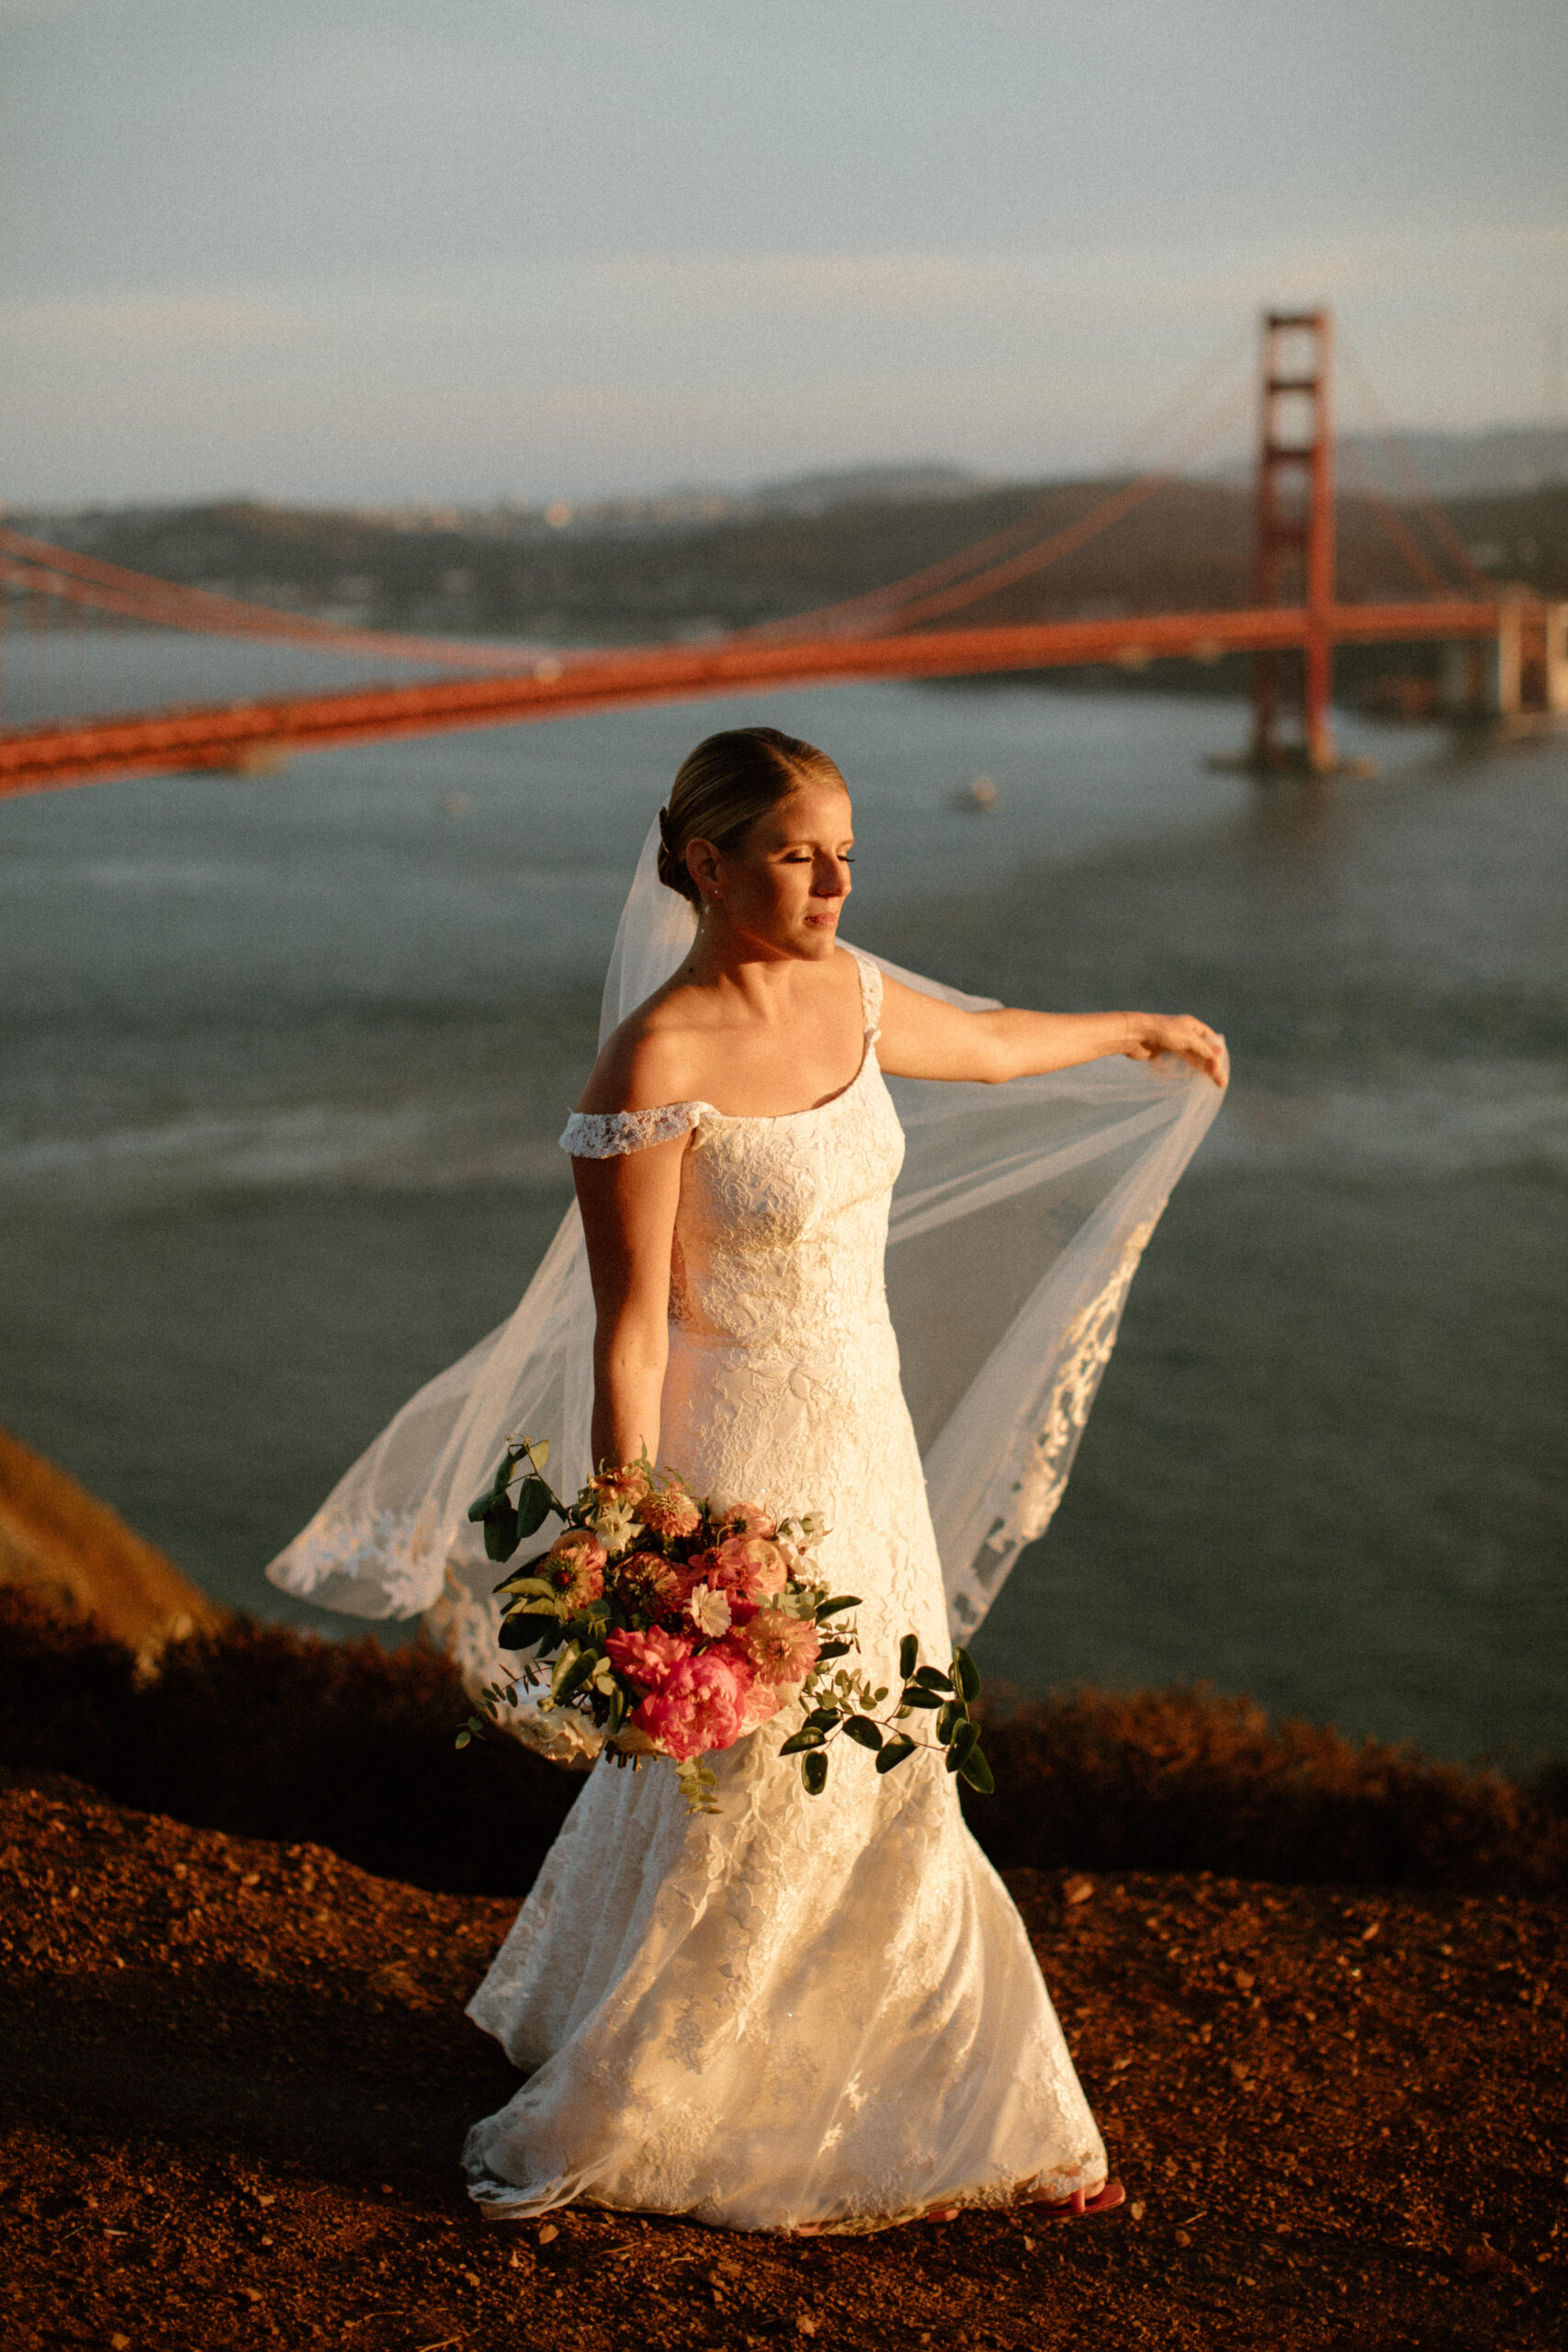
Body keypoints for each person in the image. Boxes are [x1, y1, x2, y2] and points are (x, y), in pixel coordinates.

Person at [444, 726, 1227, 2233]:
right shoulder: (654, 1063)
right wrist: (640, 1545)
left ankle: (926, 2087)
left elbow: (991, 1046)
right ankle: (664, 2089)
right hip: (740, 1466)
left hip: (864, 1448)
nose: (838, 880)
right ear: (706, 863)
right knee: (756, 1789)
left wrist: (1139, 1025)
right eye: (803, 852)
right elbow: (629, 1332)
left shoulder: (857, 994)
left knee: (890, 1766)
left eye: (848, 850)